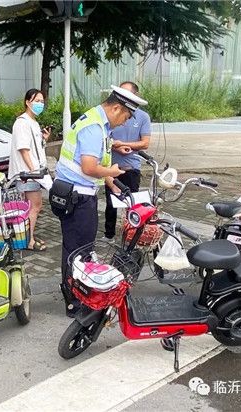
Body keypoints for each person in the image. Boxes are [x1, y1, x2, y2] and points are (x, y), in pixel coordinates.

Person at [53, 85, 147, 316]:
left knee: (77, 248)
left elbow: (95, 163)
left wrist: (113, 185)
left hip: (78, 193)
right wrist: (111, 172)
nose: (125, 122)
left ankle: (76, 294)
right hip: (78, 198)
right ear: (116, 108)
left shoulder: (97, 121)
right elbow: (89, 167)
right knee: (78, 251)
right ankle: (75, 301)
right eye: (125, 116)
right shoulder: (95, 128)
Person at [103, 81, 151, 241]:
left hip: (131, 167)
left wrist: (123, 144)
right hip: (111, 167)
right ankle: (109, 234)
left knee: (132, 203)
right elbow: (105, 139)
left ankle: (129, 235)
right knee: (111, 203)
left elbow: (145, 143)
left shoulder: (143, 117)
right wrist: (116, 147)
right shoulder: (110, 114)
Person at [8, 88, 51, 251]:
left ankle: (26, 235)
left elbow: (34, 148)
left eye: (42, 101)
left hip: (32, 173)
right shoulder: (22, 123)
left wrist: (44, 140)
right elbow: (23, 149)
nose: (40, 104)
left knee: (28, 206)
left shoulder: (32, 122)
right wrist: (34, 171)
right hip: (28, 174)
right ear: (27, 102)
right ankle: (29, 240)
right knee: (35, 205)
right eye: (37, 101)